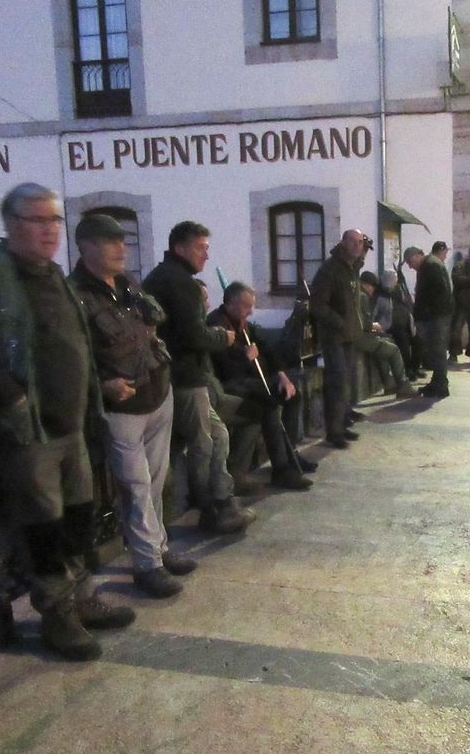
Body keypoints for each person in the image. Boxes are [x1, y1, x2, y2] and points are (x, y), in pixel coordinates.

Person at [0, 183, 135, 663]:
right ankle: (57, 614)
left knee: (79, 518)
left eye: (54, 220)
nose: (49, 230)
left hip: (70, 427)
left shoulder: (52, 275)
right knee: (44, 527)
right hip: (29, 432)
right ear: (11, 224)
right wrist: (10, 393)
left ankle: (82, 597)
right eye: (38, 220)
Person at [67, 213, 197, 600]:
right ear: (86, 246)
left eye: (122, 240)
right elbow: (71, 358)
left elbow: (157, 316)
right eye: (111, 241)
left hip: (157, 393)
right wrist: (102, 387)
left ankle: (158, 548)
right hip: (122, 407)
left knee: (156, 482)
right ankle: (146, 565)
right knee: (136, 487)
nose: (122, 248)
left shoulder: (126, 285)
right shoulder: (74, 296)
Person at [143, 222, 255, 533]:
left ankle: (221, 500)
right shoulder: (181, 283)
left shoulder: (164, 277)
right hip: (184, 377)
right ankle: (212, 508)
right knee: (206, 441)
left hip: (178, 375)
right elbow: (192, 334)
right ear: (180, 248)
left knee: (215, 436)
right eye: (200, 247)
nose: (206, 255)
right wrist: (223, 337)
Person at [206, 281, 313, 490]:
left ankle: (290, 454)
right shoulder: (216, 324)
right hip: (231, 383)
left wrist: (282, 376)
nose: (251, 311)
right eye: (246, 306)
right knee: (268, 403)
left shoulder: (243, 324)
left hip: (251, 380)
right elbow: (223, 367)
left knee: (291, 394)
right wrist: (243, 356)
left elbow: (266, 348)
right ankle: (281, 468)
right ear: (231, 303)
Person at [309, 229, 367, 448]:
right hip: (334, 336)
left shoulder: (352, 268)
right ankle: (333, 432)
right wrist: (340, 322)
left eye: (360, 242)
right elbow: (317, 305)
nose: (357, 245)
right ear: (343, 242)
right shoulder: (330, 269)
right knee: (336, 383)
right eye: (352, 241)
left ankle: (341, 425)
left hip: (349, 336)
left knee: (346, 382)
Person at [357, 271, 417, 398]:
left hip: (355, 336)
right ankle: (403, 385)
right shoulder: (362, 296)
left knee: (383, 348)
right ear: (367, 285)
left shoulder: (355, 293)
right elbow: (363, 322)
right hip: (358, 337)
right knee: (394, 349)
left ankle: (389, 384)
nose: (373, 291)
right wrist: (374, 326)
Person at [405, 245, 453, 398]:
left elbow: (439, 292)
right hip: (436, 316)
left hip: (436, 317)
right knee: (436, 351)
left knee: (437, 351)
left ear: (416, 256)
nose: (411, 267)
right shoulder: (431, 264)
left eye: (410, 263)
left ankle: (440, 386)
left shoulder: (431, 265)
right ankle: (438, 382)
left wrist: (426, 312)